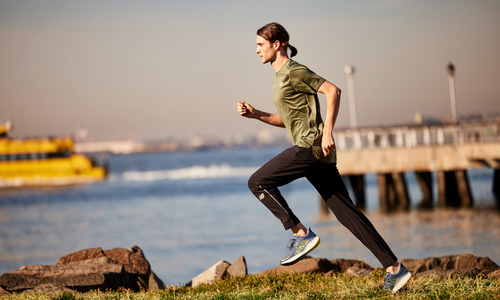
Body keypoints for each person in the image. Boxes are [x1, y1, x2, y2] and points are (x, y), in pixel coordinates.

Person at [237, 22, 411, 293]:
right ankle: (394, 268)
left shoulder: (295, 71)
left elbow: (333, 91)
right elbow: (287, 120)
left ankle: (300, 233)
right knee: (348, 214)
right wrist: (256, 113)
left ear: (277, 44)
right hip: (317, 153)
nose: (256, 50)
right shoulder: (278, 77)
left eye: (260, 44)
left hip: (312, 147)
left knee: (257, 182)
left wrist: (327, 131)